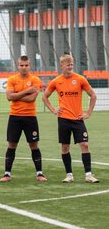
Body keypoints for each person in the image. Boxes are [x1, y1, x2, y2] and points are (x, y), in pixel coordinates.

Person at [42, 54, 99, 183]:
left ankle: (89, 175)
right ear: (62, 65)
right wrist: (53, 109)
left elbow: (93, 96)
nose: (70, 66)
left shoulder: (80, 79)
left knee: (84, 144)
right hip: (63, 120)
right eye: (68, 64)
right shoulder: (56, 81)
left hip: (78, 119)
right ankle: (69, 175)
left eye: (72, 64)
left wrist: (88, 113)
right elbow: (45, 96)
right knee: (65, 147)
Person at [0, 55, 47, 182]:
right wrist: (27, 91)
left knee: (34, 145)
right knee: (11, 145)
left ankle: (40, 173)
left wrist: (16, 95)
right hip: (14, 117)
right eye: (21, 65)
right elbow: (9, 97)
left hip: (30, 117)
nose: (24, 68)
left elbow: (32, 99)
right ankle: (7, 174)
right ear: (17, 65)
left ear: (30, 66)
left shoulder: (36, 80)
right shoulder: (12, 79)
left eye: (26, 65)